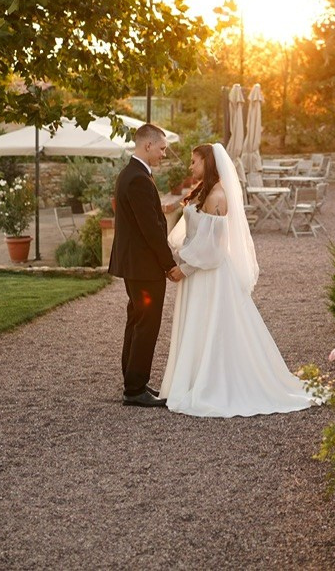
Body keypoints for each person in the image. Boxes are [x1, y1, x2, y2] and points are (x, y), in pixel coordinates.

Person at [159, 142, 320, 417]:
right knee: (200, 326)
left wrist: (185, 268)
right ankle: (192, 379)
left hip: (209, 274)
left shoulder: (218, 196)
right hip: (198, 269)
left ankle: (215, 384)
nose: (190, 166)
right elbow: (197, 233)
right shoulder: (203, 191)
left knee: (214, 328)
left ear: (207, 164)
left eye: (194, 162)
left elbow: (214, 248)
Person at [108, 123, 184, 408]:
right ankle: (134, 388)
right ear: (148, 145)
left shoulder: (132, 174)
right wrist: (169, 264)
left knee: (137, 320)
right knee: (146, 324)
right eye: (162, 148)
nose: (164, 154)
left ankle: (134, 381)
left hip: (136, 264)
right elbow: (150, 229)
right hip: (144, 266)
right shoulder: (138, 178)